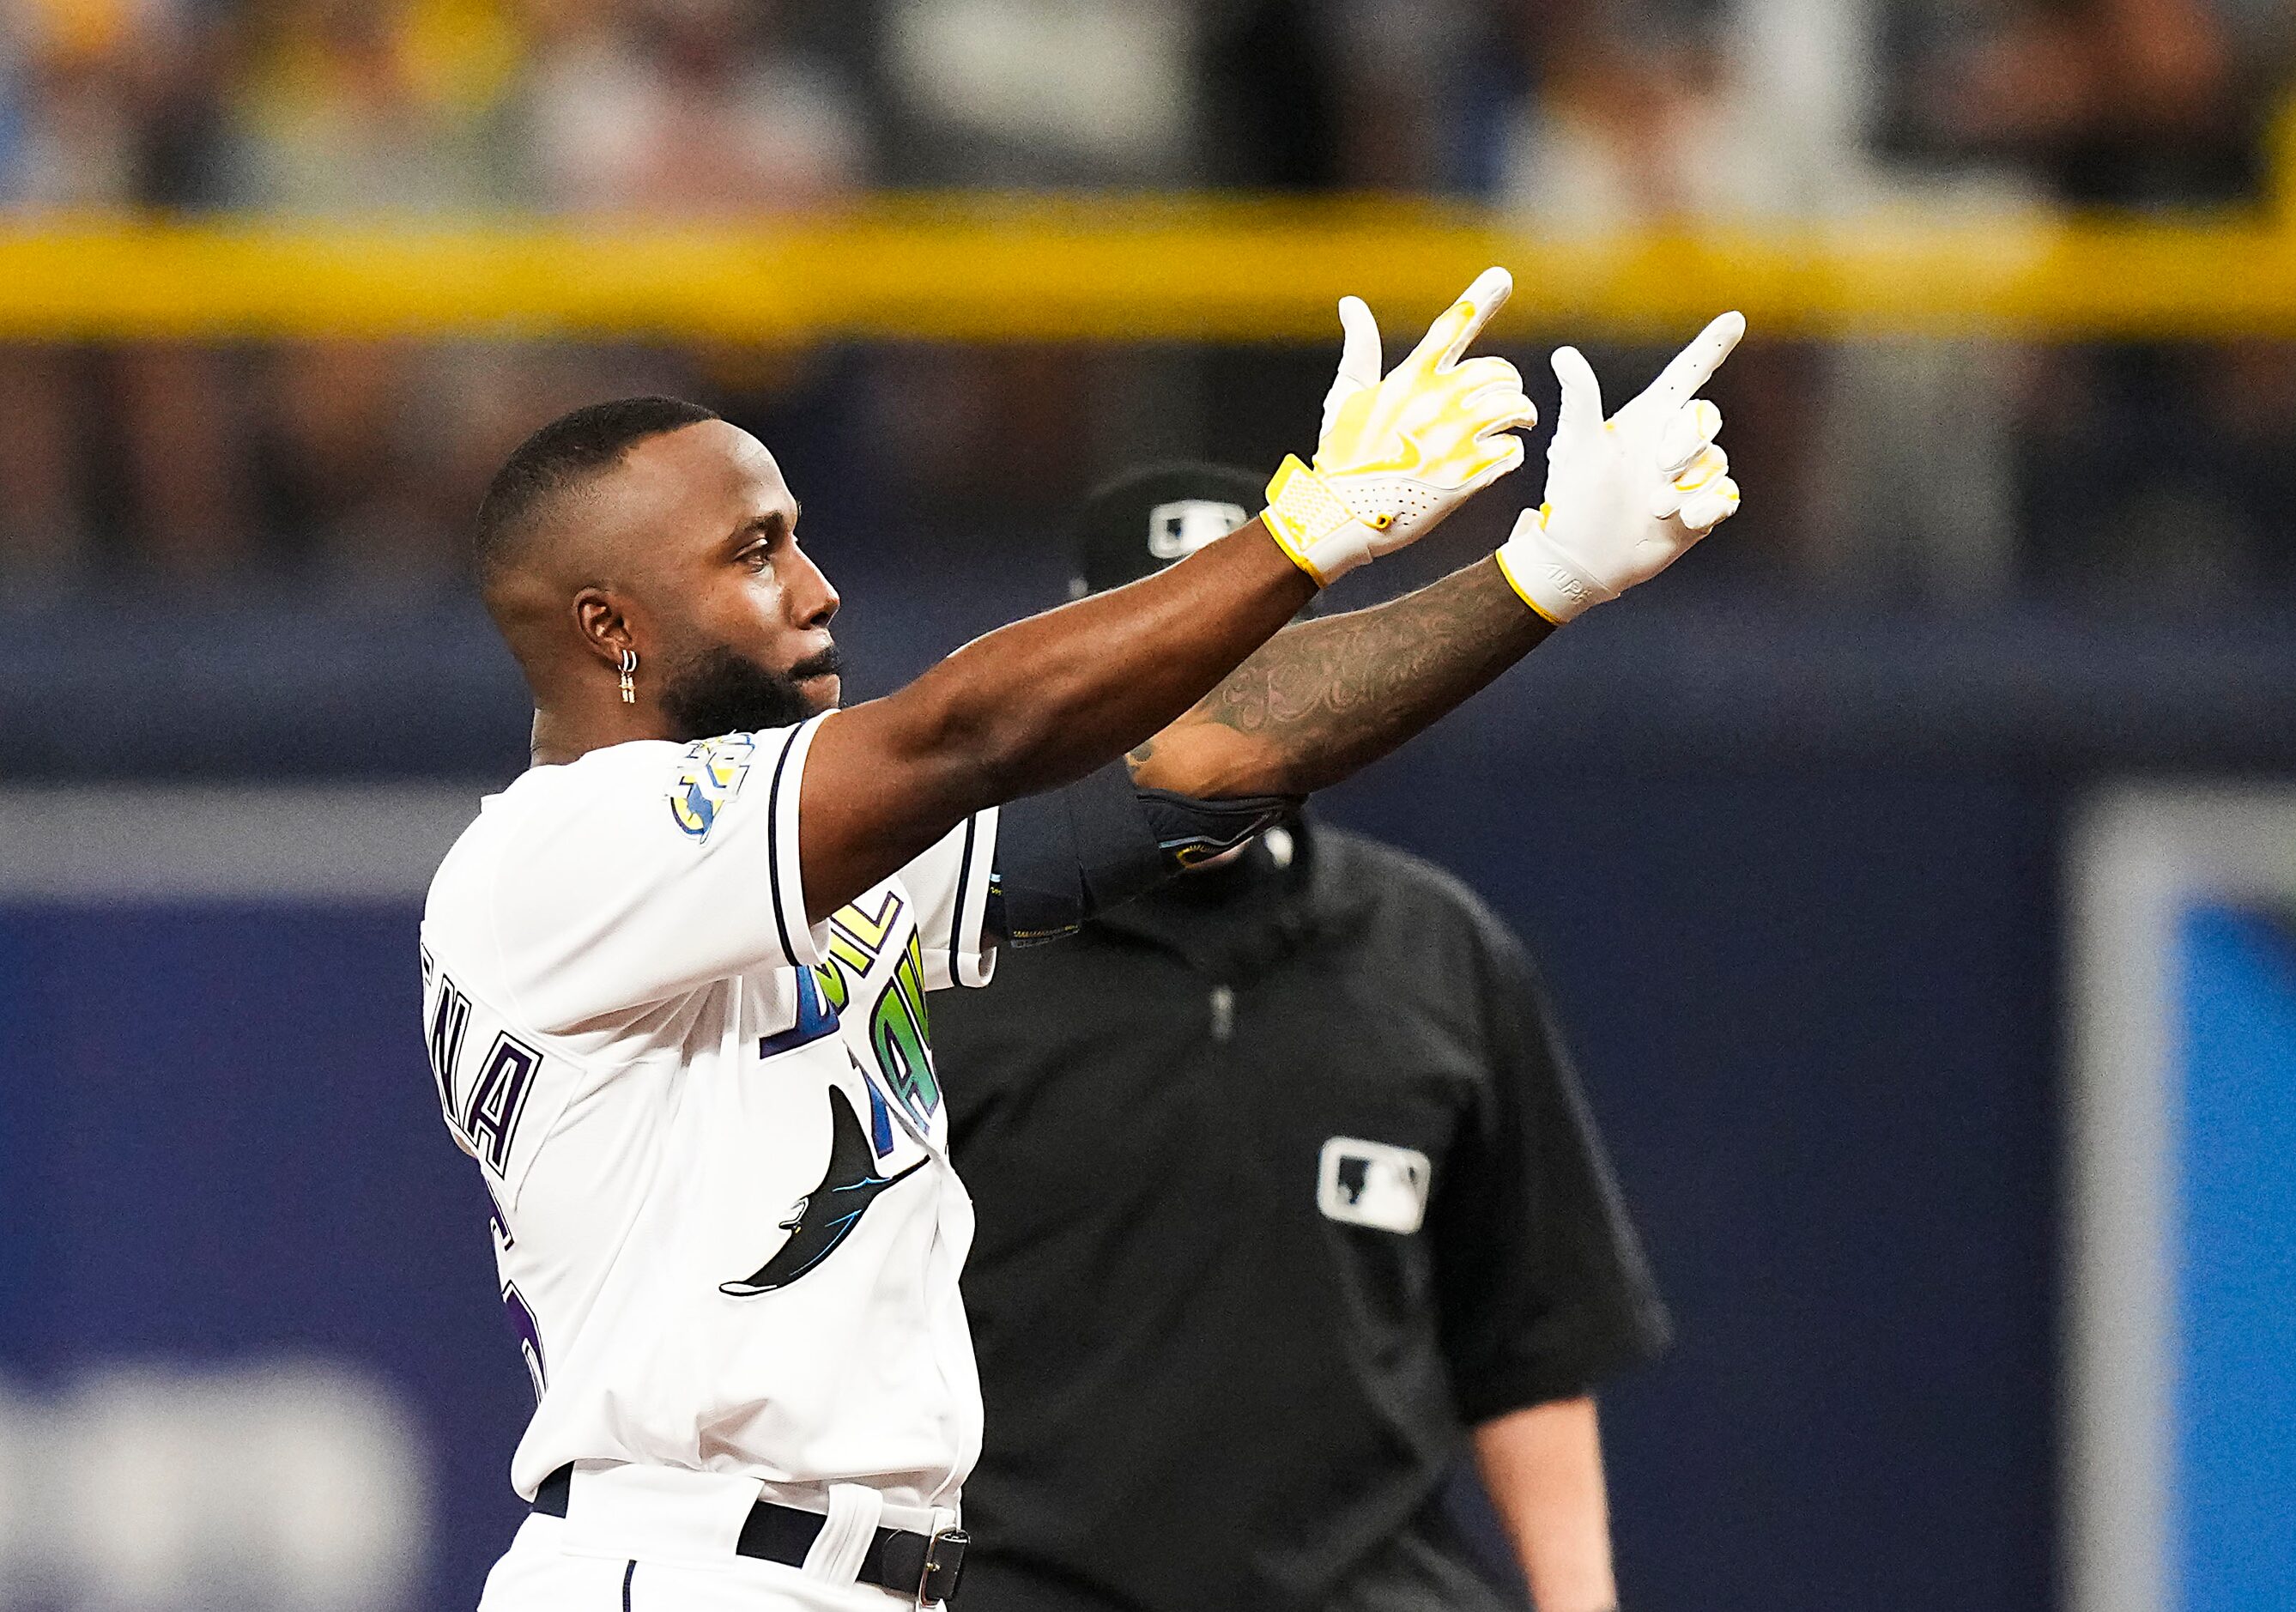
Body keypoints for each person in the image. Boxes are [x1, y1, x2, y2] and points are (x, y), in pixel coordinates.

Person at [419, 266, 1743, 1612]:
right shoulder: (562, 855)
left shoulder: (745, 865)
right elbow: (968, 732)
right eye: (754, 552)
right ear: (609, 627)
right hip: (694, 1568)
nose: (815, 588)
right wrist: (1311, 528)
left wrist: (1537, 576)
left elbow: (1196, 767)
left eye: (798, 536)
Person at [930, 464, 1669, 1612]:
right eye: (1162, 655)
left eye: (1254, 655)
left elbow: (1527, 1336)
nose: (1210, 700)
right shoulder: (941, 954)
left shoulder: (1435, 946)